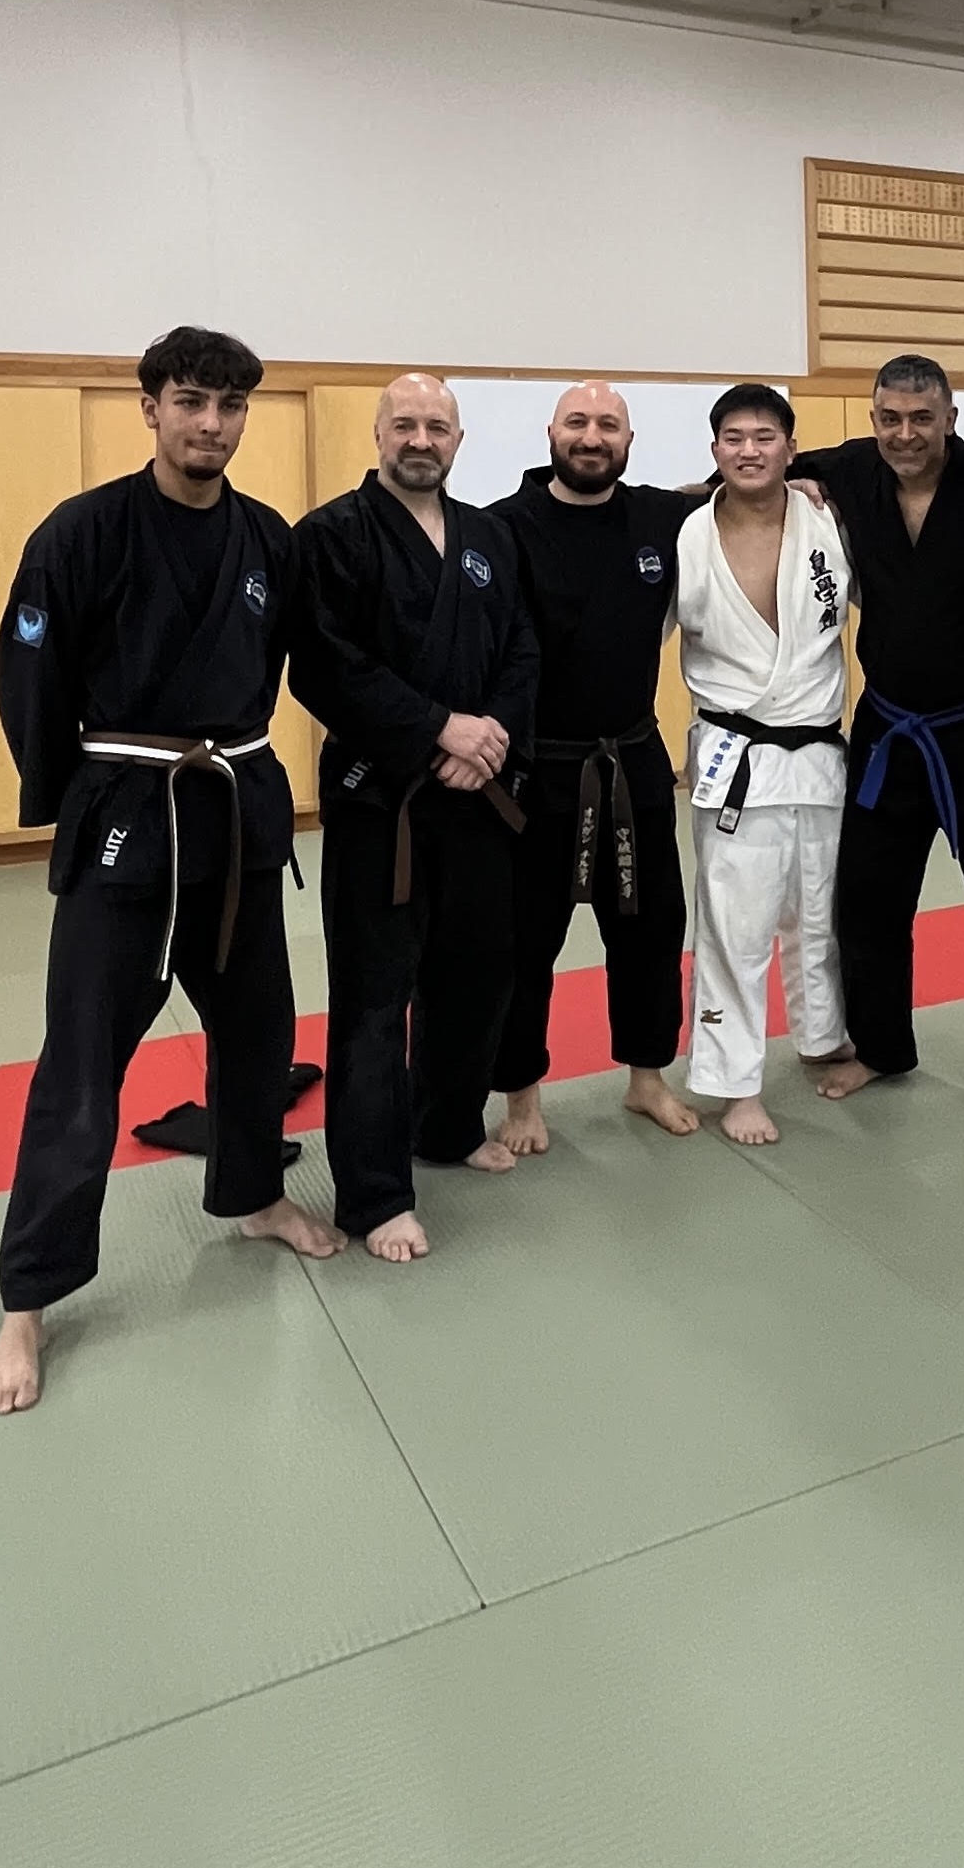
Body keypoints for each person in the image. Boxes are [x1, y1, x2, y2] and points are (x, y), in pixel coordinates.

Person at [0, 327, 344, 1414]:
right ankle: (27, 1301)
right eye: (191, 402)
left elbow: (316, 668)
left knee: (259, 1034)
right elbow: (29, 681)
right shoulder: (82, 532)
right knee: (83, 1067)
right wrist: (66, 803)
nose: (211, 425)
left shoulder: (269, 541)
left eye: (230, 408)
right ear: (151, 408)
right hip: (126, 817)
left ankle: (253, 1195)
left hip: (233, 818)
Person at [288, 375, 538, 1263]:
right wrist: (438, 729)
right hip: (378, 800)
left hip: (477, 795)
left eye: (437, 425)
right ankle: (375, 1192)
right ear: (380, 434)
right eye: (406, 424)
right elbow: (323, 666)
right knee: (371, 998)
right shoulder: (331, 536)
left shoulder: (489, 537)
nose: (420, 438)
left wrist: (491, 740)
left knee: (477, 972)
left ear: (460, 439)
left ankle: (446, 1126)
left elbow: (519, 646)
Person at [787, 356, 964, 1121]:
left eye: (921, 418)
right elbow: (756, 467)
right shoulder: (852, 470)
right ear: (871, 418)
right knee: (866, 898)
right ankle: (881, 1046)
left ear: (950, 418)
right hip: (888, 725)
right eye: (888, 417)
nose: (903, 433)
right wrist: (794, 483)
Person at [489, 382, 702, 1151]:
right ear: (550, 432)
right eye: (577, 422)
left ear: (629, 439)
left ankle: (647, 1076)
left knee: (649, 931)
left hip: (632, 760)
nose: (591, 436)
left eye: (607, 424)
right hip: (534, 773)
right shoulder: (500, 528)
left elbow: (750, 480)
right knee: (523, 941)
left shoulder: (661, 518)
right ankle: (520, 1095)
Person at [676, 384, 853, 1144]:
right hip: (732, 754)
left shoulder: (830, 520)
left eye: (764, 436)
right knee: (733, 923)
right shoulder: (682, 535)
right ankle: (732, 1079)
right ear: (714, 450)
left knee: (820, 910)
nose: (749, 449)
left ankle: (821, 1035)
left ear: (790, 445)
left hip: (816, 746)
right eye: (733, 437)